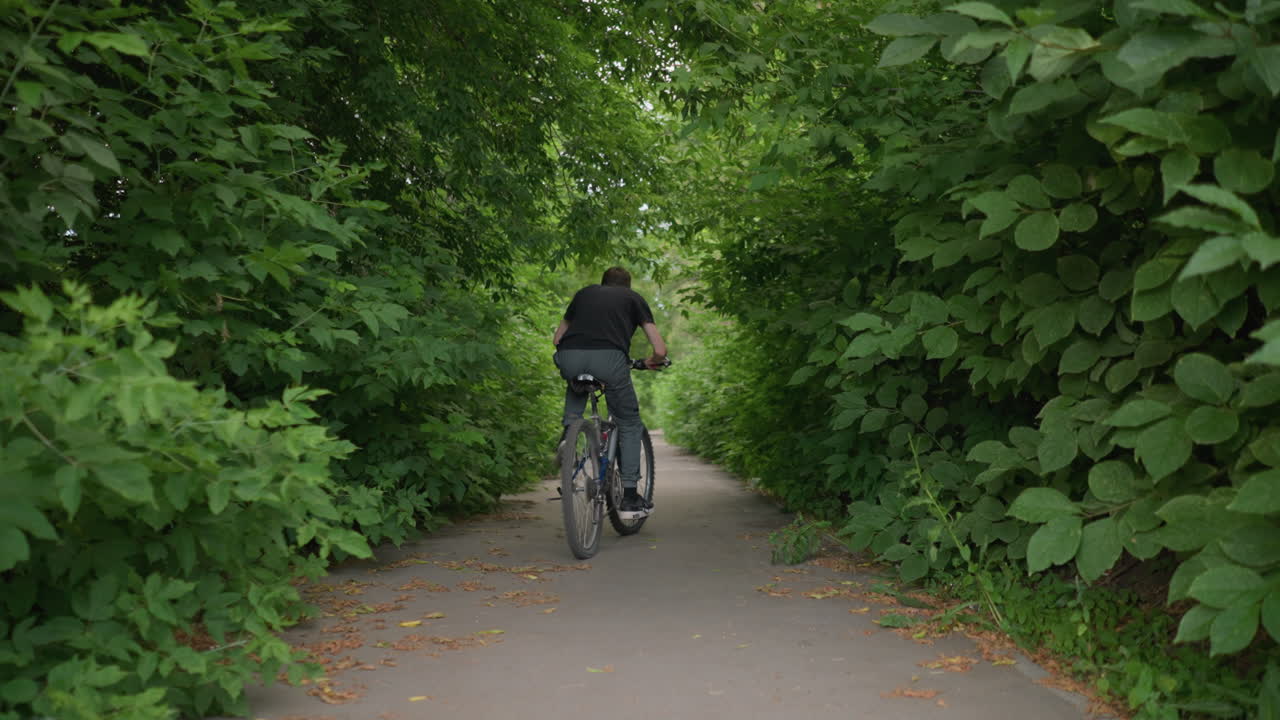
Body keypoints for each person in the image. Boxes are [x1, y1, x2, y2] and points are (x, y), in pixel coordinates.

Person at [553, 266, 668, 517]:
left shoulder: (584, 294)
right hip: (610, 361)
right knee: (628, 422)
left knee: (576, 382)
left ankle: (568, 436)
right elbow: (660, 348)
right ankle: (629, 498)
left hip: (568, 357)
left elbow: (557, 338)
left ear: (602, 283)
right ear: (627, 286)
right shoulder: (633, 299)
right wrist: (653, 360)